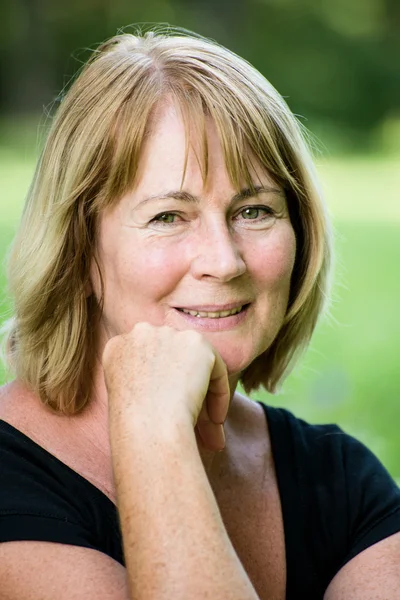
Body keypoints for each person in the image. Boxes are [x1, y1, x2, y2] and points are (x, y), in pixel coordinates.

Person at [0, 27, 399, 600]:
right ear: (80, 250)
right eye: (168, 216)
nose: (223, 259)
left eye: (255, 210)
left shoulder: (342, 481)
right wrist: (154, 435)